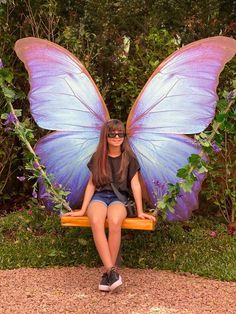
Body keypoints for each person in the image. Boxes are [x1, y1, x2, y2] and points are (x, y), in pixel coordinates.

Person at [64, 119, 156, 292]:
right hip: (99, 196)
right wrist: (83, 209)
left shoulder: (129, 158)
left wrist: (141, 211)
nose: (116, 137)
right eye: (112, 134)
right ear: (105, 137)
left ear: (124, 135)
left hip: (119, 199)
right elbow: (91, 184)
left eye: (120, 133)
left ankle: (108, 275)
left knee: (114, 221)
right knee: (97, 220)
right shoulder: (98, 156)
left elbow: (135, 185)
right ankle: (111, 272)